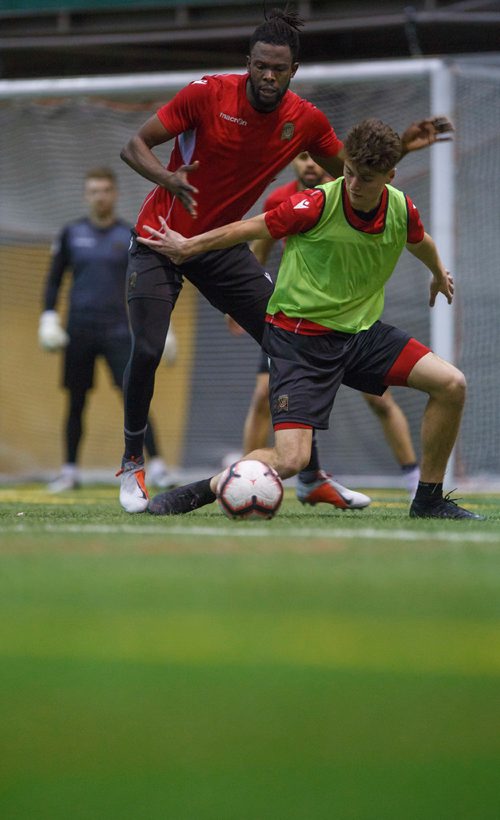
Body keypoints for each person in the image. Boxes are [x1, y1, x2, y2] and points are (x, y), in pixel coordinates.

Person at [117, 6, 452, 514]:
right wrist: (168, 179)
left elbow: (359, 176)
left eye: (278, 68)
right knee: (147, 349)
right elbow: (133, 145)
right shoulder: (206, 93)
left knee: (290, 341)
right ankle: (132, 464)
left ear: (293, 70)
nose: (267, 76)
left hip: (219, 246)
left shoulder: (306, 120)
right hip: (160, 238)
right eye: (259, 66)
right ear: (246, 62)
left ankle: (309, 475)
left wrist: (402, 146)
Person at [141, 118, 483, 520]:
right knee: (290, 460)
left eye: (366, 178)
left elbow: (420, 240)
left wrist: (437, 272)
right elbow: (248, 228)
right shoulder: (316, 204)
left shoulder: (401, 208)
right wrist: (187, 245)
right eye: (349, 172)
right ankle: (199, 491)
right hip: (299, 340)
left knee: (451, 384)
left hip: (360, 336)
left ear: (390, 177)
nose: (353, 184)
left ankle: (427, 500)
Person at [232, 150, 421, 497]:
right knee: (262, 396)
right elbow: (261, 245)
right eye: (301, 156)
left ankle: (413, 479)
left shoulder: (347, 194)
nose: (309, 164)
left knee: (379, 400)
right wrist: (240, 304)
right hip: (295, 320)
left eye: (315, 157)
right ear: (291, 160)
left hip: (349, 319)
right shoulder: (281, 198)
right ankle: (245, 479)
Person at [38, 166, 176, 492]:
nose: (101, 196)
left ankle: (156, 466)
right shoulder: (70, 234)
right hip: (79, 331)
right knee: (76, 401)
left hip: (118, 331)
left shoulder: (130, 234)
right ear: (87, 195)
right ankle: (70, 471)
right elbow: (54, 280)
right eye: (94, 191)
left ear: (114, 193)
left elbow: (152, 280)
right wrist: (47, 316)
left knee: (135, 395)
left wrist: (163, 327)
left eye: (106, 190)